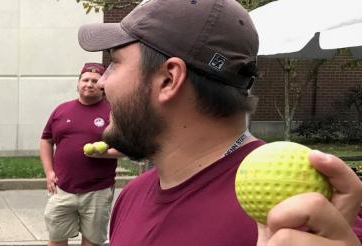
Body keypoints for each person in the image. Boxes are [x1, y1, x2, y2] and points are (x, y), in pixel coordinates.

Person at [77, 0, 362, 245]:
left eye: (114, 62)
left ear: (168, 79)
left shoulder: (308, 211)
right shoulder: (132, 196)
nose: (101, 81)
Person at [39, 62, 123, 246]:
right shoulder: (61, 110)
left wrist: (105, 154)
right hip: (61, 188)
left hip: (98, 191)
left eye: (95, 80)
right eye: (85, 79)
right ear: (78, 84)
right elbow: (46, 140)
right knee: (56, 240)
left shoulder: (114, 112)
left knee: (92, 242)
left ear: (103, 86)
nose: (89, 84)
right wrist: (49, 172)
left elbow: (126, 148)